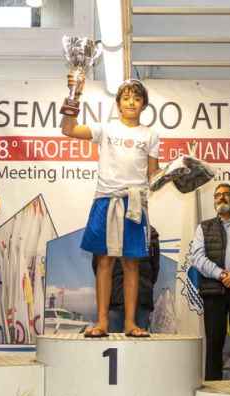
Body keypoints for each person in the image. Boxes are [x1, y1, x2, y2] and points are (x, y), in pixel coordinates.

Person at [61, 78, 159, 338]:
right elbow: (68, 129)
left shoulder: (149, 135)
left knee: (132, 263)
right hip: (105, 199)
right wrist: (74, 94)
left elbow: (153, 174)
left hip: (134, 203)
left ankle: (129, 322)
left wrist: (178, 173)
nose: (131, 102)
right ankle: (102, 321)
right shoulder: (106, 128)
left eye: (137, 99)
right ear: (118, 104)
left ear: (144, 105)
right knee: (104, 261)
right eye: (126, 98)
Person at [190, 184, 230, 381]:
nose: (222, 198)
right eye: (218, 195)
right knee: (214, 342)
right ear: (214, 201)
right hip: (214, 291)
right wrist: (222, 275)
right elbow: (197, 258)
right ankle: (212, 389)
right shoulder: (204, 227)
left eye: (226, 194)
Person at [91, 226, 160, 333]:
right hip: (117, 299)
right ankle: (104, 323)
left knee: (138, 343)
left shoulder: (149, 232)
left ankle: (127, 323)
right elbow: (100, 266)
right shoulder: (107, 227)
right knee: (113, 340)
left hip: (138, 298)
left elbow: (154, 267)